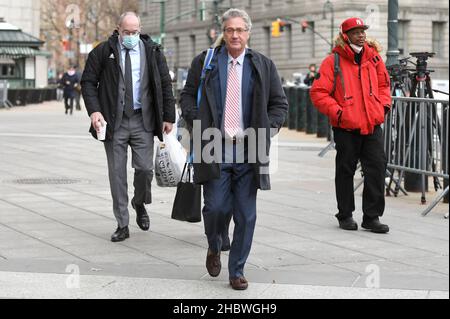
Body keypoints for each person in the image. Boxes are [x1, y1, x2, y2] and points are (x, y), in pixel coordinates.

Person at [181, 8, 288, 290]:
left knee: (246, 214)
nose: (235, 35)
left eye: (240, 30)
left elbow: (279, 104)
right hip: (213, 147)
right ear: (223, 33)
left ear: (248, 33)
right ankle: (215, 245)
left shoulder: (262, 65)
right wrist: (196, 120)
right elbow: (187, 95)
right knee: (215, 208)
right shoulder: (206, 62)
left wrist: (269, 125)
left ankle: (236, 270)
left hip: (249, 150)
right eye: (230, 30)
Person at [81, 12, 175, 242]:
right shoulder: (104, 51)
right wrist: (95, 111)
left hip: (143, 120)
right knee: (117, 174)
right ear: (118, 30)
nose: (131, 36)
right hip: (114, 122)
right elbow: (88, 82)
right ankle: (122, 223)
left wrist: (169, 116)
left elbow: (164, 84)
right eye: (126, 32)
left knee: (145, 170)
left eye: (135, 32)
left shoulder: (152, 51)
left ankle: (139, 202)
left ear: (140, 29)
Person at [310, 17, 391, 234]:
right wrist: (339, 112)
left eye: (363, 31)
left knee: (376, 168)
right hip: (346, 127)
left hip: (372, 125)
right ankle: (345, 214)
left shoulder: (374, 59)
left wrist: (383, 106)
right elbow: (318, 93)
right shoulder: (332, 61)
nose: (361, 35)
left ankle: (371, 217)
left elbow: (384, 85)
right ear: (346, 36)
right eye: (356, 32)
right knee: (345, 170)